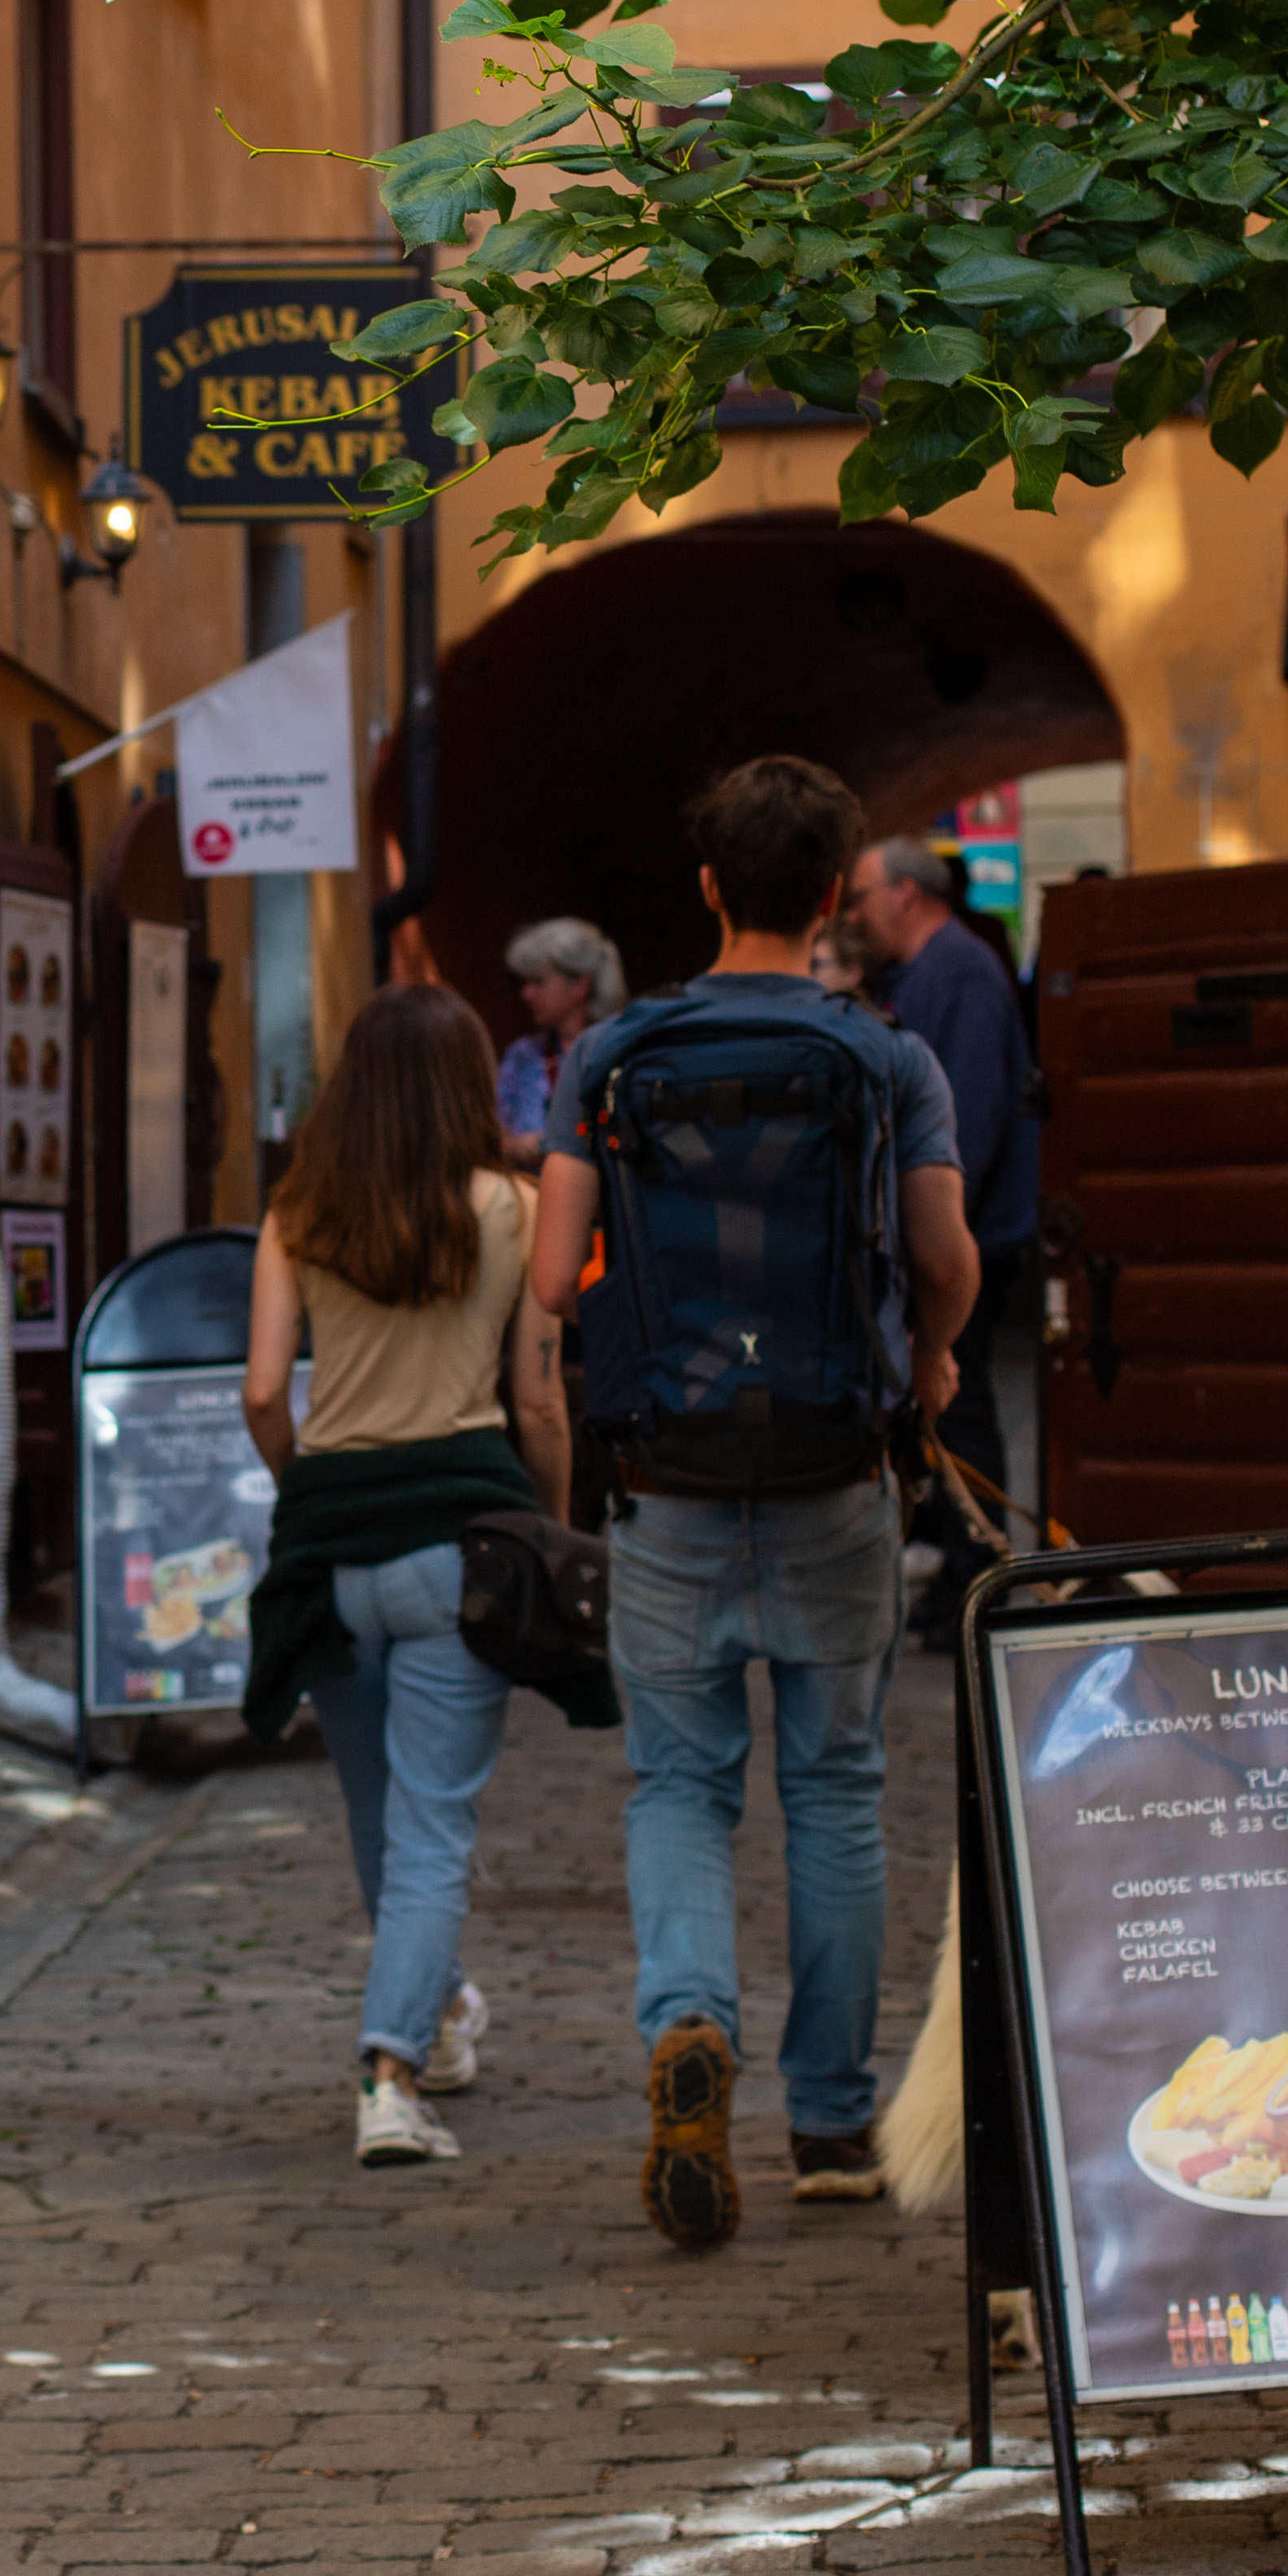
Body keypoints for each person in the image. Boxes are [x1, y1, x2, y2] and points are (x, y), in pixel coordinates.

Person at [530, 759, 978, 2248]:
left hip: (662, 1477)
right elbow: (942, 1254)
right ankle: (832, 2121)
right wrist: (931, 1359)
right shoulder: (882, 1056)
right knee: (834, 1784)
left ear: (707, 887)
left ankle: (686, 2022)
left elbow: (546, 1279)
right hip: (834, 1471)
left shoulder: (607, 1054)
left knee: (675, 1784)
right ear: (836, 890)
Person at [239, 988, 574, 2170]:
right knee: (433, 1827)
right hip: (455, 1545)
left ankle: (434, 2010)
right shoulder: (516, 1209)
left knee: (380, 1815)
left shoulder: (299, 1213)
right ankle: (391, 2074)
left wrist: (305, 1485)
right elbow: (537, 1398)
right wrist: (552, 1527)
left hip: (331, 1551)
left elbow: (263, 1392)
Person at [844, 835, 1043, 1615]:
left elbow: (968, 1118)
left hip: (969, 1229)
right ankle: (965, 1571)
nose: (856, 914)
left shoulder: (956, 972)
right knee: (950, 1399)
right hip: (961, 1224)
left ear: (905, 892)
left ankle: (979, 1582)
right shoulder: (935, 970)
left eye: (862, 896)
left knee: (960, 1401)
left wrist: (933, 1225)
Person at [495, 918, 628, 1170]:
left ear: (581, 985)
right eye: (524, 982)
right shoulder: (523, 1056)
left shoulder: (619, 1050)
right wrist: (517, 1147)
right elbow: (492, 1142)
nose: (526, 993)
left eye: (538, 982)